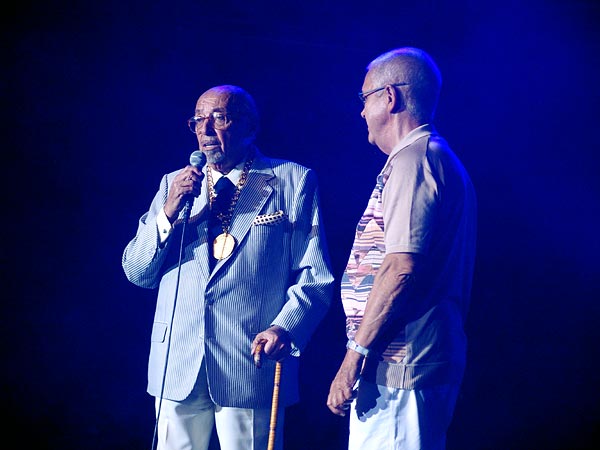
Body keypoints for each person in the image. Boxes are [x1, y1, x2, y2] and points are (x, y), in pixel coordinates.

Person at [123, 85, 334, 450]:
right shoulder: (173, 186)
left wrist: (285, 326)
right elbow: (137, 272)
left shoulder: (292, 180)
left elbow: (315, 275)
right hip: (178, 359)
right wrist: (168, 213)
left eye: (218, 118)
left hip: (249, 360)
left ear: (249, 126)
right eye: (197, 121)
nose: (205, 131)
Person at [326, 47, 477, 449]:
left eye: (364, 99)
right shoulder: (426, 156)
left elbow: (400, 269)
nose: (360, 113)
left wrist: (352, 357)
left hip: (402, 365)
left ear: (389, 97)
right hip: (401, 365)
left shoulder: (415, 159)